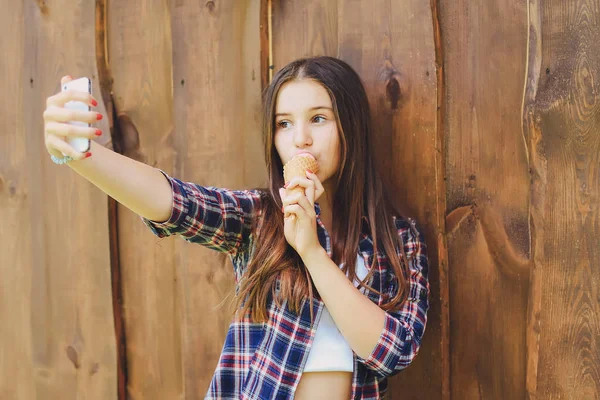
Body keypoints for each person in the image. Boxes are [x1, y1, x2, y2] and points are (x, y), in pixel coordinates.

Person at [44, 56, 430, 400]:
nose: (300, 139)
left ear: (351, 127)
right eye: (284, 124)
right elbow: (177, 203)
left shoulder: (398, 240)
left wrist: (312, 251)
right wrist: (82, 155)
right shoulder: (259, 218)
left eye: (318, 118)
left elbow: (393, 352)